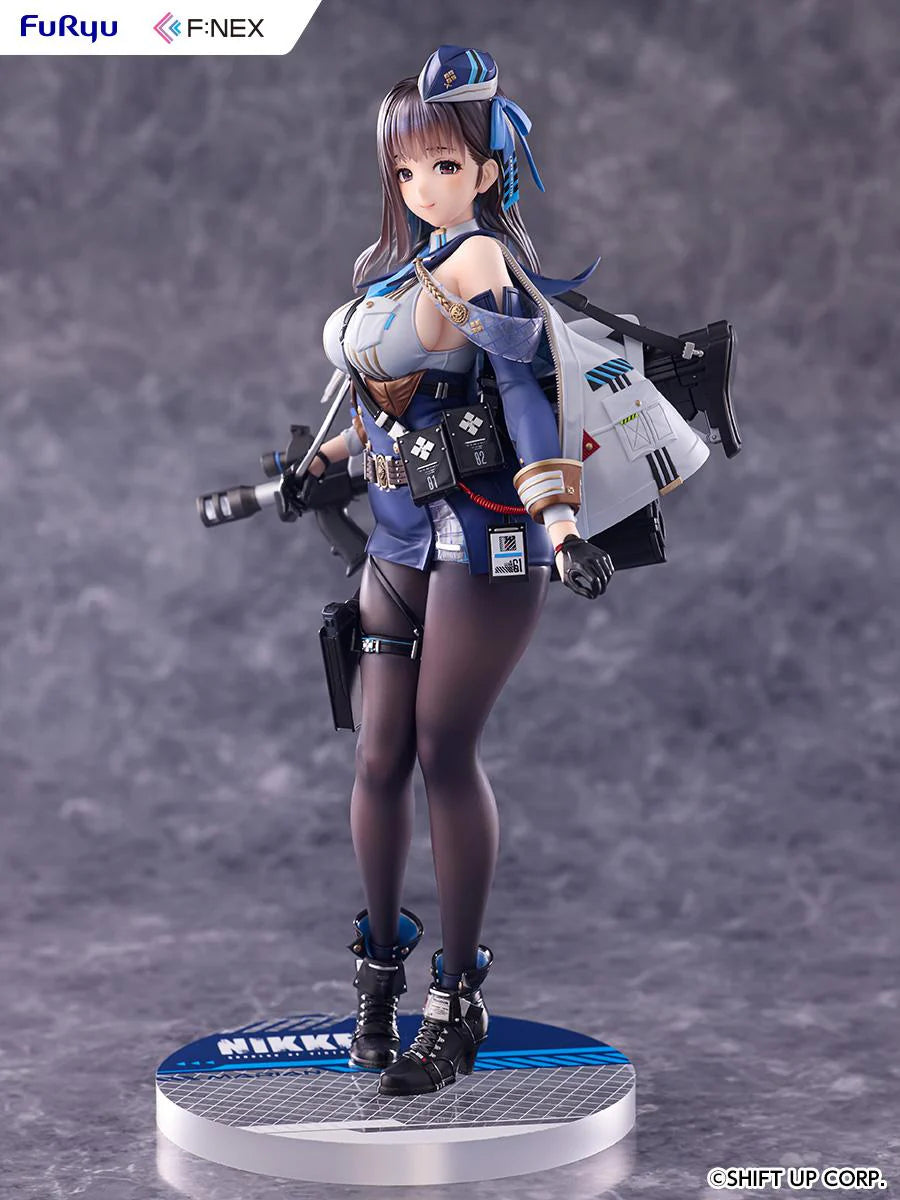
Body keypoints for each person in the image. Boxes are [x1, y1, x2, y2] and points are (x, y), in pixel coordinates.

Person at [284, 45, 620, 1098]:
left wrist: (560, 523)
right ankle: (377, 978)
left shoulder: (480, 264)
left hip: (485, 542)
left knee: (442, 748)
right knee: (378, 753)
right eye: (406, 169)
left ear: (486, 168)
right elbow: (397, 411)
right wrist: (323, 466)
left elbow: (521, 399)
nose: (422, 186)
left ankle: (454, 1000)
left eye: (443, 165)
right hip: (395, 542)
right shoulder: (388, 275)